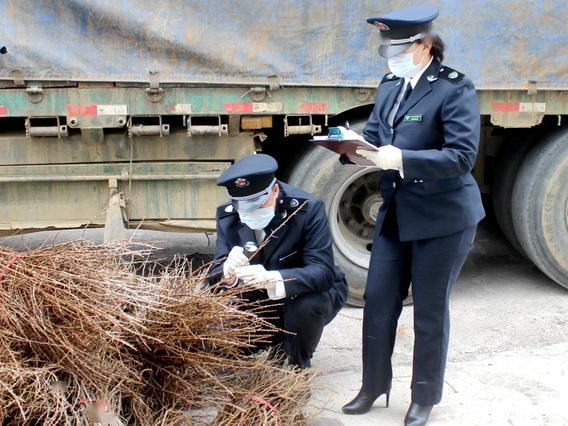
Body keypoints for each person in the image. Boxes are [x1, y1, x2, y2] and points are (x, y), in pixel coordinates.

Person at [340, 5, 485, 426]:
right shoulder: (390, 85)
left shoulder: (454, 87)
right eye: (388, 50)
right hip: (397, 214)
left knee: (429, 310)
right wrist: (348, 148)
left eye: (401, 48)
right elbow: (374, 139)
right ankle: (372, 387)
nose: (392, 57)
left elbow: (460, 157)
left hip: (443, 218)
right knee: (378, 302)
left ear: (424, 45)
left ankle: (424, 397)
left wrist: (402, 157)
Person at [207, 153, 348, 368]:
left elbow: (323, 272)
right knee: (226, 337)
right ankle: (274, 342)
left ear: (274, 190)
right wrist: (227, 272)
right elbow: (213, 278)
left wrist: (274, 279)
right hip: (258, 298)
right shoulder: (228, 216)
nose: (250, 213)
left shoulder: (306, 209)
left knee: (306, 305)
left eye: (257, 204)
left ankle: (296, 364)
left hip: (304, 295)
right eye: (242, 206)